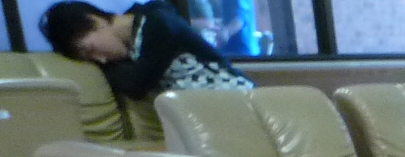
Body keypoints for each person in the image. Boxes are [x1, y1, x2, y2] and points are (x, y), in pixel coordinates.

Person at [37, 1, 253, 99]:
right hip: (199, 115)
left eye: (91, 49)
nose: (100, 60)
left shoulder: (158, 24)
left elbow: (135, 85)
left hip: (237, 102)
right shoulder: (134, 41)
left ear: (95, 20)